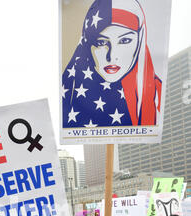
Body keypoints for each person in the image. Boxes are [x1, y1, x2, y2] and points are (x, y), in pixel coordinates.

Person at [62, 0, 162, 129]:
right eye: (101, 43)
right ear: (87, 44)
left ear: (140, 39)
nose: (112, 56)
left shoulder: (158, 97)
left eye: (125, 40)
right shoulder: (69, 93)